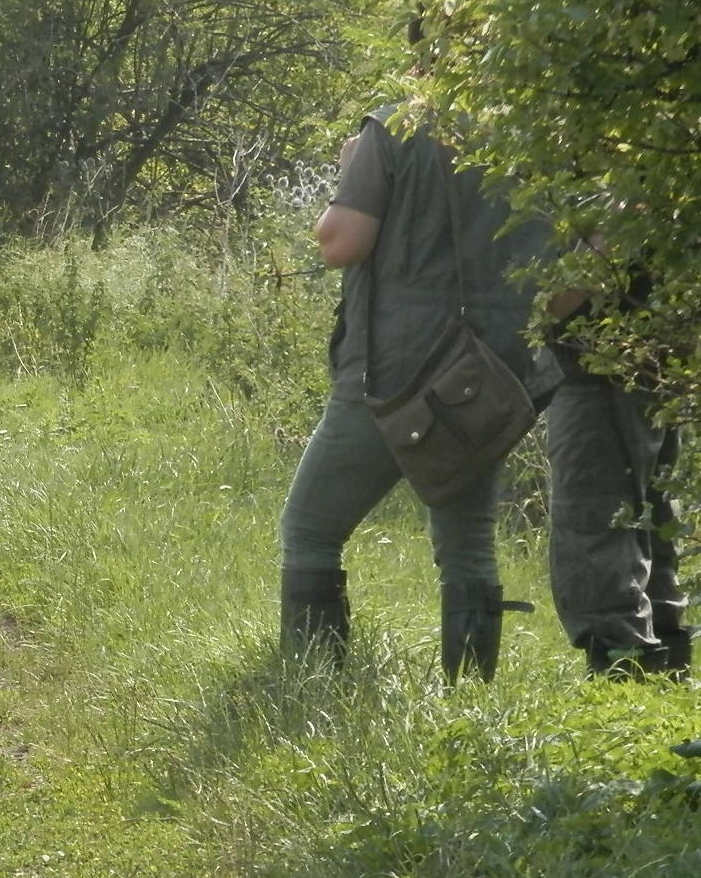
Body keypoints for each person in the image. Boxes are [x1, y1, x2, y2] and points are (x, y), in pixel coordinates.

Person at [279, 54, 548, 681]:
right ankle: (471, 704)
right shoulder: (530, 139)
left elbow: (338, 242)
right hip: (486, 374)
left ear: (422, 54)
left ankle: (313, 685)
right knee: (468, 546)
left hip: (390, 374)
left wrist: (348, 171)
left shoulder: (394, 127)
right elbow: (559, 284)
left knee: (310, 530)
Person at [544, 279, 688, 678]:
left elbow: (569, 285)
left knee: (593, 515)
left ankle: (622, 675)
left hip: (600, 363)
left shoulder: (612, 213)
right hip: (652, 358)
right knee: (651, 515)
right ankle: (665, 666)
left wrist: (530, 307)